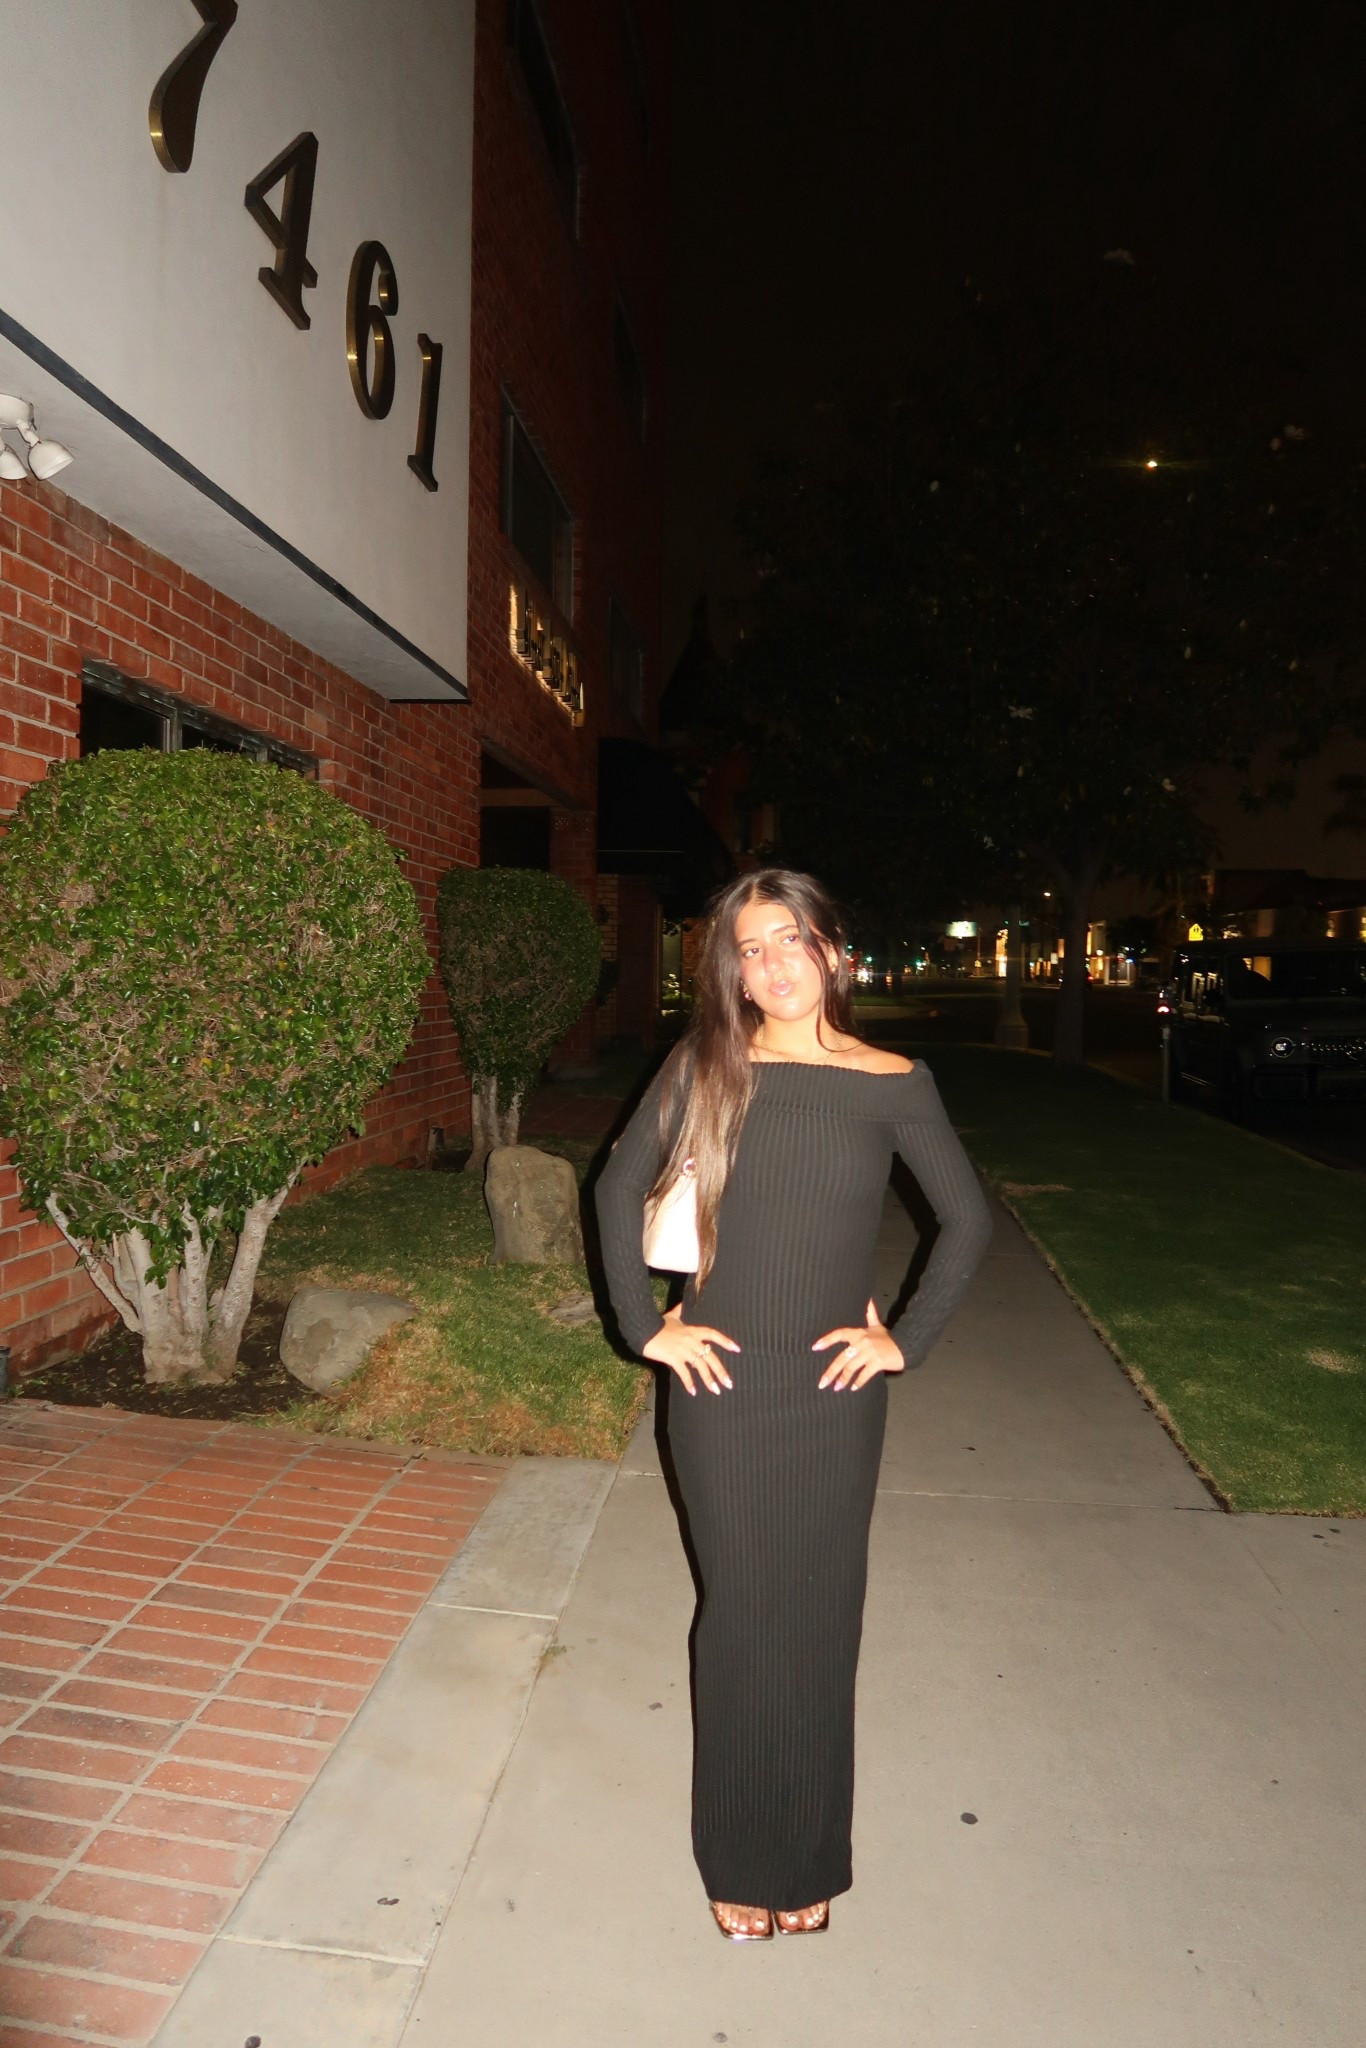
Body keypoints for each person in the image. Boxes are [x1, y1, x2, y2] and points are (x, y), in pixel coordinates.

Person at [596, 869, 993, 1941]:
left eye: (789, 939)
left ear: (830, 950)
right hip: (719, 1386)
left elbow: (966, 1219)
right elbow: (616, 1185)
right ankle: (738, 1857)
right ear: (732, 972)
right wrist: (644, 1327)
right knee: (740, 1614)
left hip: (832, 1393)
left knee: (819, 1616)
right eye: (749, 948)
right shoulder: (706, 1066)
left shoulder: (893, 1081)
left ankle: (806, 1856)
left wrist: (902, 1339)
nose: (771, 964)